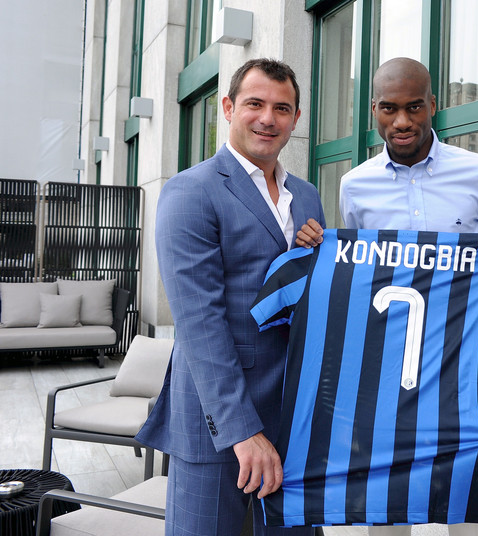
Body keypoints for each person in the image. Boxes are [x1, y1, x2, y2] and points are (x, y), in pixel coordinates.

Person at [295, 57, 478, 536]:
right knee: (385, 515)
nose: (402, 121)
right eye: (389, 108)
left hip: (464, 378)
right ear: (373, 110)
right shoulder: (354, 185)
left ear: (432, 105)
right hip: (384, 382)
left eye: (414, 107)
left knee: (469, 517)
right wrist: (315, 249)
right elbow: (356, 275)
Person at [136, 58, 325, 536]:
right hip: (216, 423)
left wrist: (318, 257)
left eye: (282, 108)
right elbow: (199, 323)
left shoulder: (306, 196)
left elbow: (313, 300)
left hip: (294, 417)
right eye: (255, 104)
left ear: (296, 118)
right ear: (228, 108)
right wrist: (243, 430)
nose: (268, 118)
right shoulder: (190, 191)